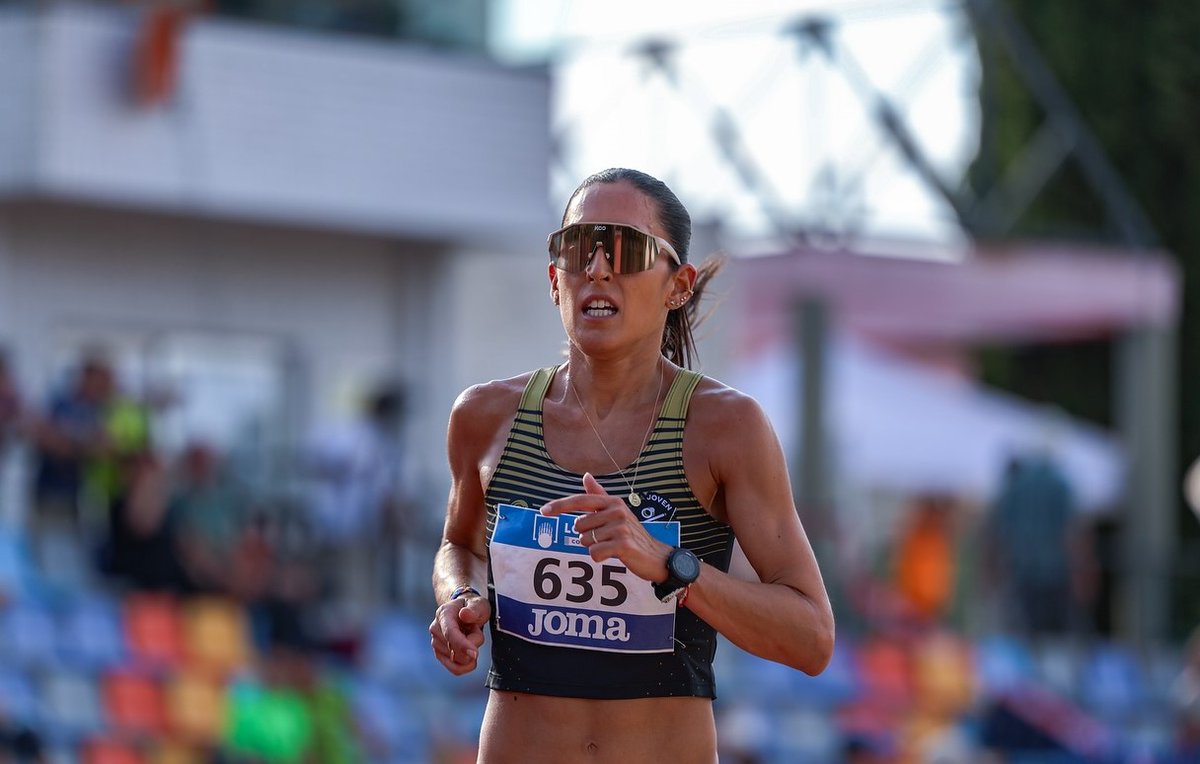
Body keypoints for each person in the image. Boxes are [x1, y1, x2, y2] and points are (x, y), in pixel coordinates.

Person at [429, 168, 834, 762]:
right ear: (553, 280)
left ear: (679, 285)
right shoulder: (484, 417)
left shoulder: (725, 428)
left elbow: (813, 638)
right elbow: (458, 545)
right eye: (576, 247)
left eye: (625, 248)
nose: (597, 267)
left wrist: (670, 566)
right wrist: (456, 598)